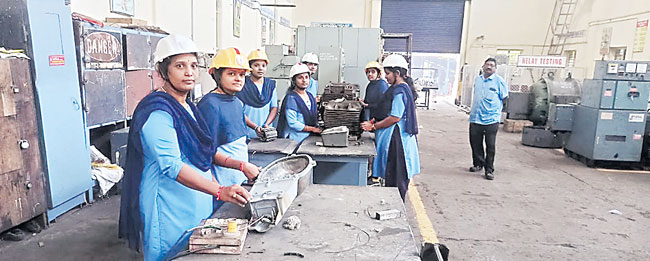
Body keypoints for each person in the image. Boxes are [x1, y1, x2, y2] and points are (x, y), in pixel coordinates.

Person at [118, 35, 251, 261]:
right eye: (180, 66)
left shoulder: (187, 106)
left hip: (196, 200)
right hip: (169, 206)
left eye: (193, 65)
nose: (189, 72)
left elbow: (203, 151)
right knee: (170, 254)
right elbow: (171, 166)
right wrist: (219, 191)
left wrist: (237, 166)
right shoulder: (158, 112)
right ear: (163, 71)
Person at [197, 47, 261, 196]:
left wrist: (246, 169)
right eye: (231, 74)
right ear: (218, 76)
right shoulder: (209, 105)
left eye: (241, 74)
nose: (238, 79)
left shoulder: (237, 102)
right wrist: (242, 166)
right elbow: (206, 152)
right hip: (220, 184)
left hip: (238, 179)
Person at [361, 54, 420, 201]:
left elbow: (395, 117)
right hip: (395, 136)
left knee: (397, 174)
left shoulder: (400, 91)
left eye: (387, 73)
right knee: (392, 174)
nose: (385, 77)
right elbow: (385, 108)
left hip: (397, 139)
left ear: (397, 74)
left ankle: (397, 205)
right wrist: (376, 119)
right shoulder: (396, 88)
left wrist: (373, 126)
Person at [468, 57, 508, 180]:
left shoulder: (499, 81)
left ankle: (489, 170)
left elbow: (505, 99)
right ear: (483, 66)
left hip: (491, 119)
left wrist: (497, 112)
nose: (489, 67)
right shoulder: (478, 80)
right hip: (476, 118)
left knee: (490, 145)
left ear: (495, 68)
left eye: (492, 65)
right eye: (487, 64)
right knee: (475, 143)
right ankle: (478, 164)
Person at [236, 49, 278, 139]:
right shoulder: (242, 85)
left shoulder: (270, 85)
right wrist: (255, 127)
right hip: (247, 133)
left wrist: (266, 125)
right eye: (256, 65)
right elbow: (239, 112)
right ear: (250, 67)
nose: (260, 68)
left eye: (263, 65)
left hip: (266, 133)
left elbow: (274, 108)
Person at [277, 63, 321, 142]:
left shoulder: (310, 96)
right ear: (294, 80)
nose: (304, 80)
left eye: (306, 77)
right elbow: (292, 123)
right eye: (300, 78)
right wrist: (312, 129)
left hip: (308, 137)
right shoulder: (291, 98)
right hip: (294, 139)